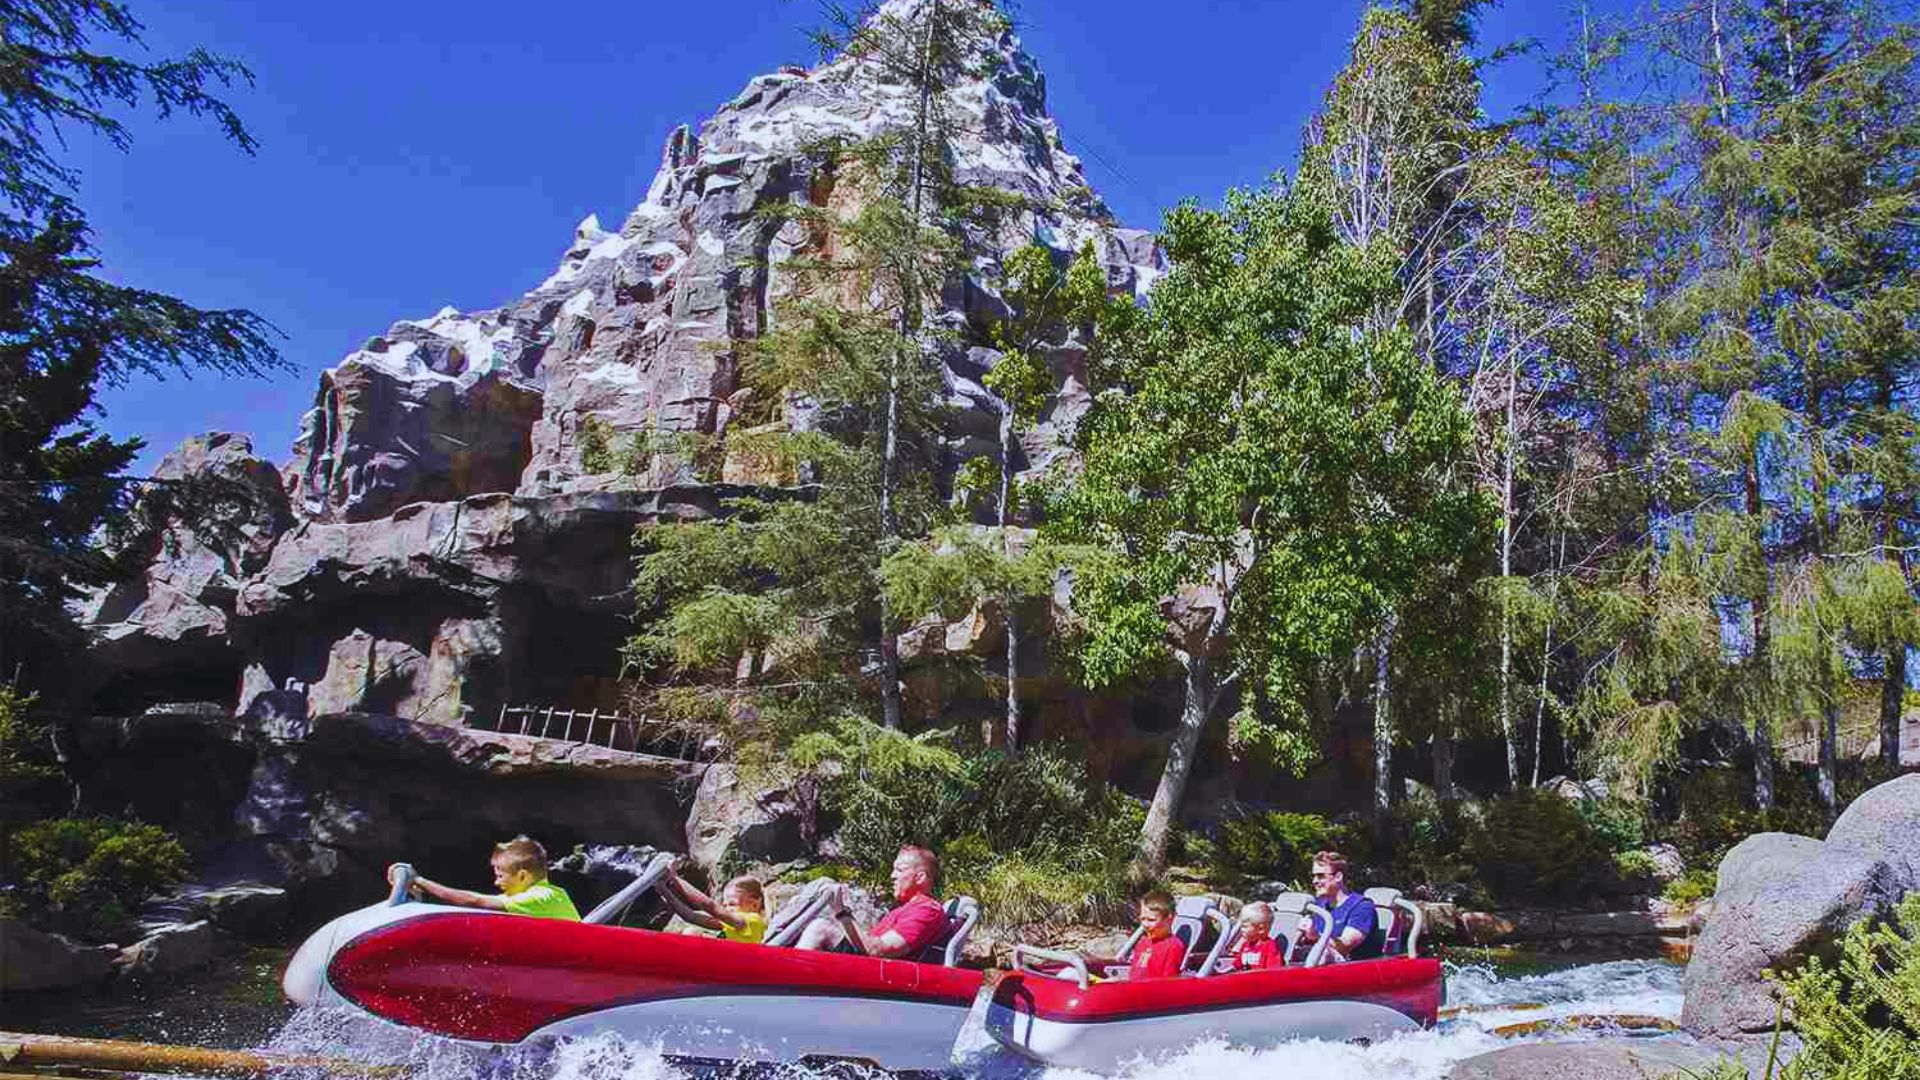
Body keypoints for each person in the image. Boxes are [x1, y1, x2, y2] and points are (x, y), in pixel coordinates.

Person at [798, 845, 950, 959]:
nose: (892, 876)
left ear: (920, 877)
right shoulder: (904, 909)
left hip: (878, 976)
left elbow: (879, 951)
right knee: (819, 893)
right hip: (865, 965)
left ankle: (783, 971)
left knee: (820, 928)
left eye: (899, 870)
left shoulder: (926, 910)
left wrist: (842, 912)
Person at [385, 835, 580, 921]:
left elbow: (475, 901)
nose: (496, 882)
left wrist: (418, 881)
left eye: (501, 876)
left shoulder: (541, 898)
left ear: (522, 875)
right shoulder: (531, 896)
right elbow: (472, 895)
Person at [1296, 850, 1378, 965]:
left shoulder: (1362, 907)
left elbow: (1344, 946)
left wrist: (1315, 936)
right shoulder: (1319, 906)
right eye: (1313, 876)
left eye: (1321, 876)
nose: (1314, 881)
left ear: (1338, 876)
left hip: (1354, 971)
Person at [1084, 891, 1185, 980]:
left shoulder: (1173, 946)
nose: (1145, 924)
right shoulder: (1144, 941)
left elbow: (1169, 985)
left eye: (1151, 920)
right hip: (1133, 990)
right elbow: (1133, 970)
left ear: (1170, 918)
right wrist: (1095, 963)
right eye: (1142, 919)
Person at [663, 863, 768, 943]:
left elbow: (709, 906)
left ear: (754, 904)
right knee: (690, 932)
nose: (726, 909)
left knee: (692, 933)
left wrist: (675, 878)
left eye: (732, 904)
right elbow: (690, 917)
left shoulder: (754, 921)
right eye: (725, 905)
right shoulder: (732, 927)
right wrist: (664, 890)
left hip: (734, 966)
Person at [1229, 901, 1284, 972]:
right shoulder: (1246, 945)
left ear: (1260, 929)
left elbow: (1273, 971)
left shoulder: (1269, 946)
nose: (1242, 930)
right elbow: (1237, 964)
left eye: (1245, 927)